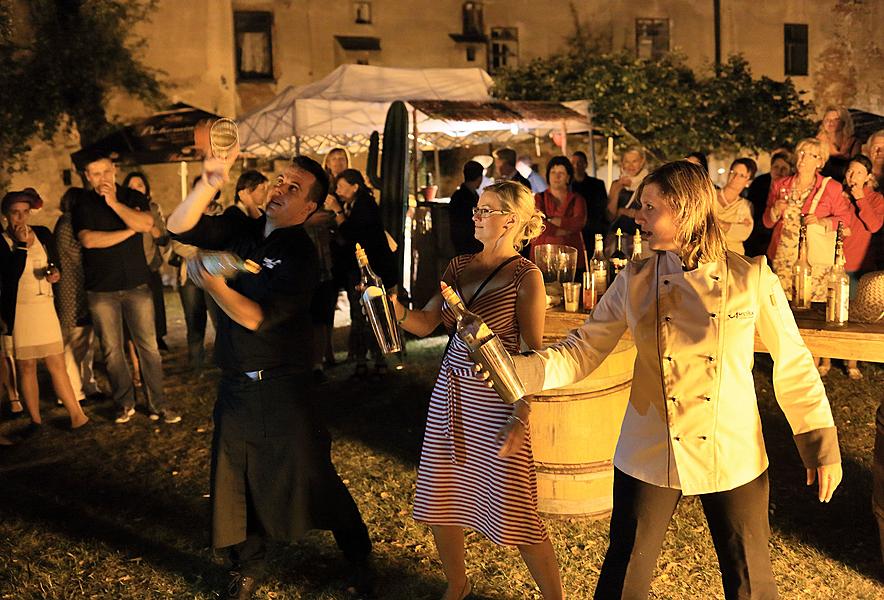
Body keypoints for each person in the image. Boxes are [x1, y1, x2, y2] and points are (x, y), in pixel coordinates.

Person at [501, 160, 843, 599]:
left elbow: (793, 361)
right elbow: (584, 349)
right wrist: (523, 370)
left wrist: (819, 442)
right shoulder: (635, 278)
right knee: (625, 573)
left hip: (731, 446)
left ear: (684, 210)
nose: (637, 216)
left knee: (750, 577)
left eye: (649, 207)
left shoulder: (750, 276)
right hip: (649, 445)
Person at [167, 153, 374, 600]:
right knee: (234, 480)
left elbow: (255, 317)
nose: (280, 189)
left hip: (284, 387)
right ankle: (246, 567)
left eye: (294, 188)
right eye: (280, 180)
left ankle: (359, 557)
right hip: (238, 384)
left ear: (308, 210)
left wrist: (214, 284)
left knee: (315, 476)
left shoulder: (298, 252)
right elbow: (178, 226)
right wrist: (207, 182)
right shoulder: (241, 229)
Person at [390, 180, 563, 600]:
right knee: (440, 496)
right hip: (451, 394)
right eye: (476, 209)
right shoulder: (458, 266)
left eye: (485, 210)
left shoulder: (527, 276)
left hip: (496, 398)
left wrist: (521, 414)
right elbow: (426, 323)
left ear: (511, 220)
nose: (475, 215)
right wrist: (390, 306)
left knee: (518, 508)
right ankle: (457, 583)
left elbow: (531, 355)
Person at [73, 156, 178, 424]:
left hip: (136, 285)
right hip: (101, 290)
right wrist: (128, 231)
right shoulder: (82, 203)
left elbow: (145, 225)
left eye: (106, 172)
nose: (102, 178)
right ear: (87, 175)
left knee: (149, 348)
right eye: (95, 174)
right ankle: (125, 403)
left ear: (114, 170)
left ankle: (159, 405)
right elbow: (88, 240)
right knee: (111, 350)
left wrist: (115, 204)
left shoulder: (132, 196)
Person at [0, 189, 89, 431]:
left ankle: (77, 415)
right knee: (26, 366)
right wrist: (20, 246)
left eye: (25, 212)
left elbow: (54, 263)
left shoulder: (42, 233)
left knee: (56, 362)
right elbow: (9, 277)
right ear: (6, 215)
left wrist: (55, 273)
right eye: (15, 213)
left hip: (44, 305)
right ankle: (35, 420)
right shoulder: (2, 241)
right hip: (20, 310)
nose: (20, 218)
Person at [325, 169, 397, 379]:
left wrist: (338, 212)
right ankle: (363, 361)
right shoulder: (355, 204)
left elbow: (351, 235)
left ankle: (375, 360)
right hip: (358, 271)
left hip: (372, 272)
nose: (337, 190)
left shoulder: (365, 204)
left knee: (371, 315)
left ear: (355, 186)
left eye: (341, 186)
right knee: (360, 316)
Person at [763, 137, 852, 304]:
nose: (803, 158)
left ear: (820, 161)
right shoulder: (780, 184)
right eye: (801, 153)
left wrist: (822, 222)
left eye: (810, 155)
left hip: (814, 258)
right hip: (784, 258)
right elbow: (767, 221)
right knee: (783, 305)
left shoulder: (831, 187)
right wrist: (775, 210)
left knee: (813, 306)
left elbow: (845, 219)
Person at [838, 155, 884, 379]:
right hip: (836, 261)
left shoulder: (875, 199)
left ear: (868, 176)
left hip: (859, 265)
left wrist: (859, 198)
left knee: (854, 315)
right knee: (834, 308)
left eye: (857, 172)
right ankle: (826, 359)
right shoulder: (839, 195)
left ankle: (851, 361)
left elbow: (874, 225)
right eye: (849, 171)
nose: (852, 176)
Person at [171, 178, 224, 371]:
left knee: (220, 319)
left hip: (215, 276)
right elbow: (177, 243)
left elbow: (224, 242)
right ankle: (196, 363)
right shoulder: (185, 213)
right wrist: (204, 251)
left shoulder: (224, 213)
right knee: (194, 320)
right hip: (191, 276)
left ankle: (224, 360)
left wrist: (199, 247)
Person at [54, 187, 101, 403]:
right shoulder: (66, 223)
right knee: (69, 343)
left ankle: (87, 385)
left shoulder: (76, 222)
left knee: (85, 342)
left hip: (83, 290)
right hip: (70, 292)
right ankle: (72, 391)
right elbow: (76, 255)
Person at [123, 172, 170, 351]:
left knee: (155, 303)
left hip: (149, 263)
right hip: (128, 265)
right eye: (132, 186)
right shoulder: (120, 209)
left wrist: (153, 229)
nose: (136, 189)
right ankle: (133, 343)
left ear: (146, 189)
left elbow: (163, 237)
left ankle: (158, 336)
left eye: (140, 185)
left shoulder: (153, 208)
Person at [531, 155, 587, 258]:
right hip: (543, 255)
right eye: (553, 173)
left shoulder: (577, 199)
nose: (556, 177)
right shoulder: (539, 198)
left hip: (571, 256)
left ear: (568, 177)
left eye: (561, 173)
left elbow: (578, 222)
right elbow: (538, 224)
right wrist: (564, 230)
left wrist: (553, 220)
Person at [745, 148, 794, 257]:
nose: (779, 171)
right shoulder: (760, 182)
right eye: (776, 167)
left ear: (790, 170)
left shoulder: (792, 187)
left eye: (784, 168)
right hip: (756, 231)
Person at [606, 147, 648, 247]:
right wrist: (618, 187)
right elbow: (610, 216)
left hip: (640, 237)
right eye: (627, 162)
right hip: (618, 236)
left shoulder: (648, 183)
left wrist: (622, 211)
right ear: (622, 163)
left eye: (634, 161)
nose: (630, 166)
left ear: (642, 162)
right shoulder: (616, 184)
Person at [714, 158, 756, 254]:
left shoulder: (746, 206)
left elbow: (743, 233)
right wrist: (730, 225)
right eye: (733, 172)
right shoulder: (710, 196)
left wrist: (717, 222)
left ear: (748, 182)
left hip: (733, 256)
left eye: (741, 175)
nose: (735, 177)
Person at [571, 151, 608, 241]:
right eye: (573, 163)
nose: (576, 166)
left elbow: (601, 208)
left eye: (579, 162)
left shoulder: (597, 184)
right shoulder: (568, 186)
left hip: (593, 229)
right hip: (573, 228)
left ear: (585, 164)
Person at [449, 160, 484, 255]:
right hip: (468, 245)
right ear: (479, 178)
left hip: (463, 243)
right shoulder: (467, 196)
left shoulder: (458, 195)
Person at [818, 106, 861, 182]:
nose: (831, 123)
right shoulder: (818, 141)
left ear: (844, 122)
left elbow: (856, 168)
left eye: (836, 119)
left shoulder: (854, 142)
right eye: (827, 120)